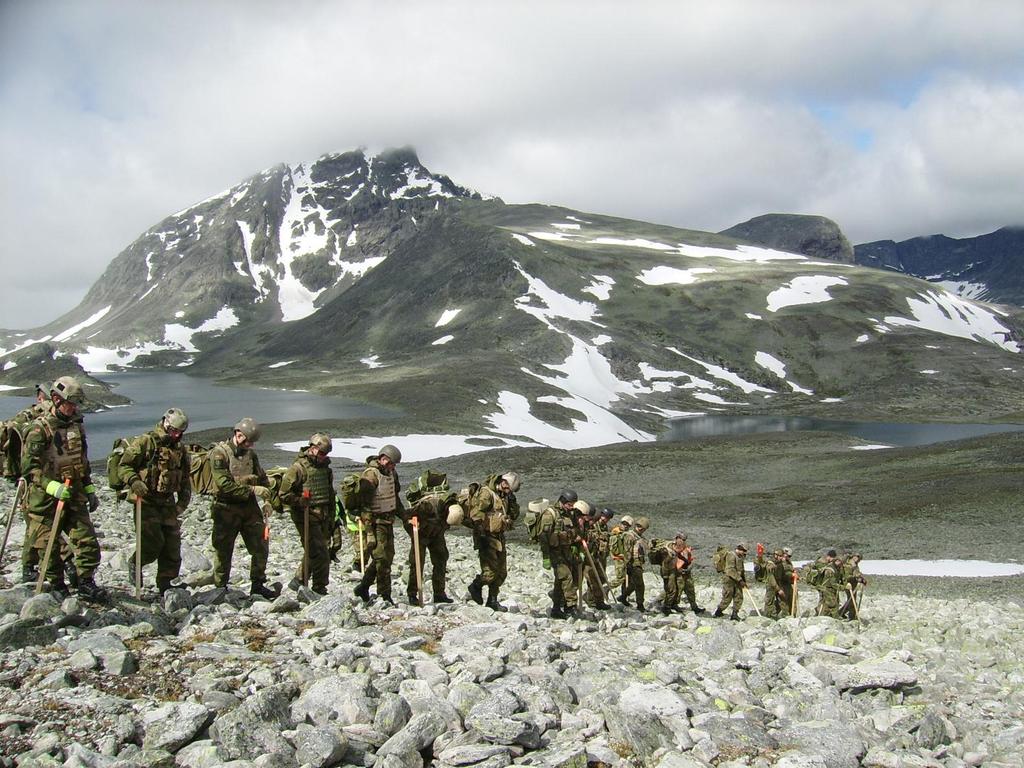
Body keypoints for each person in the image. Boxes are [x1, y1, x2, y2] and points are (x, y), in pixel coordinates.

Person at [20, 377, 105, 600]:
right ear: (57, 399)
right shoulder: (39, 430)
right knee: (47, 547)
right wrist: (50, 486)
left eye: (77, 404)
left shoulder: (77, 426)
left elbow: (82, 461)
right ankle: (57, 585)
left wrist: (88, 488)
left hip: (74, 492)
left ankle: (86, 581)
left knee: (87, 541)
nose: (74, 408)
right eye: (71, 403)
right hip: (45, 499)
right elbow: (29, 469)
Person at [117, 407, 192, 594]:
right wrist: (134, 482)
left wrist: (181, 504)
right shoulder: (145, 442)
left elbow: (184, 479)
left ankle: (166, 583)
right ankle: (136, 563)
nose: (176, 436)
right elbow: (124, 466)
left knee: (172, 545)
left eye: (179, 433)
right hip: (146, 502)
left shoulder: (180, 450)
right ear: (165, 423)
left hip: (167, 503)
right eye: (174, 431)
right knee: (152, 543)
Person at [208, 418, 278, 598]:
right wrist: (253, 489)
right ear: (238, 435)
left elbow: (262, 479)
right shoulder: (219, 454)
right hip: (225, 507)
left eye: (252, 443)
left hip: (249, 508)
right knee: (223, 549)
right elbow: (224, 484)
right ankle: (220, 586)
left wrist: (268, 501)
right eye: (247, 441)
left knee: (261, 544)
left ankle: (258, 584)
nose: (250, 445)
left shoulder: (251, 455)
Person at [279, 433, 336, 595]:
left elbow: (330, 494)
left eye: (325, 454)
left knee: (314, 550)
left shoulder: (326, 470)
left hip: (323, 515)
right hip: (305, 516)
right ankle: (319, 587)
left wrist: (332, 516)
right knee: (321, 553)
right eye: (321, 453)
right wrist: (299, 501)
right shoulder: (297, 469)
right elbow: (283, 494)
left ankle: (298, 580)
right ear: (312, 448)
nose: (323, 457)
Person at [353, 444, 403, 605]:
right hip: (375, 523)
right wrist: (368, 532)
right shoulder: (371, 475)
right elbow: (364, 505)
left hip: (388, 521)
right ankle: (384, 595)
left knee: (387, 556)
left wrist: (404, 515)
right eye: (390, 464)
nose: (392, 467)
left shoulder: (391, 474)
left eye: (394, 465)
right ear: (382, 459)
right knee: (382, 560)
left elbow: (394, 496)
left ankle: (363, 586)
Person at [466, 472, 520, 611]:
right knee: (490, 572)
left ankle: (492, 600)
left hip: (499, 536)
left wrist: (513, 502)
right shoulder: (487, 493)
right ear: (503, 482)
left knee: (501, 572)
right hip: (486, 535)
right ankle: (476, 586)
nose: (508, 491)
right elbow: (476, 514)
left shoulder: (505, 497)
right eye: (508, 488)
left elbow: (513, 515)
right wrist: (481, 534)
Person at [404, 470, 459, 605]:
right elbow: (408, 517)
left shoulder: (445, 501)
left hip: (436, 533)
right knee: (417, 563)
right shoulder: (424, 504)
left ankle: (439, 593)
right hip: (421, 533)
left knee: (441, 560)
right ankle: (412, 594)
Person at [538, 489, 582, 619]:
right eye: (569, 504)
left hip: (567, 551)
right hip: (554, 553)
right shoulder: (550, 514)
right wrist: (545, 557)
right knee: (567, 577)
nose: (571, 506)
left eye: (573, 504)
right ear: (562, 501)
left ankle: (556, 609)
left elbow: (575, 531)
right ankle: (570, 607)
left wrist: (575, 546)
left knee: (560, 581)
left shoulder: (570, 514)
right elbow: (543, 537)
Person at [574, 500, 610, 610]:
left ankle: (596, 600)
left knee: (599, 578)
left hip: (592, 556)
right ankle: (566, 601)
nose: (592, 522)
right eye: (591, 520)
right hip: (580, 556)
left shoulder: (593, 527)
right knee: (578, 580)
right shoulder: (578, 524)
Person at [660, 533, 702, 615]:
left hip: (685, 571)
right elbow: (667, 565)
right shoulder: (670, 551)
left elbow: (686, 558)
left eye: (684, 540)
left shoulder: (683, 547)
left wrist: (688, 562)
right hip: (678, 573)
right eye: (681, 539)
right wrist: (666, 576)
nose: (683, 541)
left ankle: (694, 607)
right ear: (677, 539)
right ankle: (669, 606)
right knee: (675, 590)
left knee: (690, 590)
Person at [618, 515, 649, 611]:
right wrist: (627, 563)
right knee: (640, 585)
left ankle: (623, 597)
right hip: (632, 563)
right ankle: (640, 604)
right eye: (638, 526)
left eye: (642, 527)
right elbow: (627, 551)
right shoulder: (630, 536)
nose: (640, 528)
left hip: (638, 562)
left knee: (633, 584)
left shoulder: (641, 537)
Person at [713, 542, 748, 620]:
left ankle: (735, 614)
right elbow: (730, 570)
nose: (744, 553)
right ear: (739, 549)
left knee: (738, 596)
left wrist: (743, 581)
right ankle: (718, 612)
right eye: (743, 550)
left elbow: (741, 570)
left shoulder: (740, 557)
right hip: (729, 579)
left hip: (737, 579)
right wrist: (740, 580)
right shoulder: (731, 555)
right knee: (727, 597)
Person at [607, 514, 634, 592]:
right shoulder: (615, 533)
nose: (625, 526)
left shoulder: (628, 534)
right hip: (619, 559)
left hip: (625, 559)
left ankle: (623, 595)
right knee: (620, 578)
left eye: (627, 525)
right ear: (620, 523)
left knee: (626, 579)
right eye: (624, 524)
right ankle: (606, 589)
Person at [839, 553, 867, 619]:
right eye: (858, 558)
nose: (858, 560)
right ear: (854, 557)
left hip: (853, 584)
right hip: (848, 584)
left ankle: (841, 613)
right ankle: (851, 616)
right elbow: (847, 576)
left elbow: (857, 573)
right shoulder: (848, 565)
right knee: (852, 601)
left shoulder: (854, 565)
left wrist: (861, 579)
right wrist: (857, 578)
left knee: (851, 600)